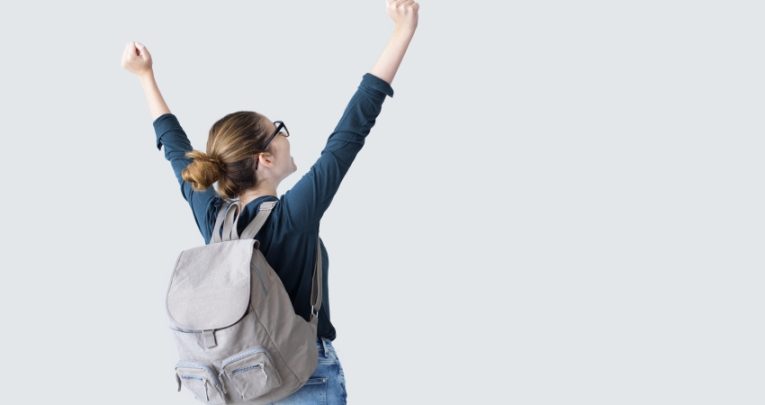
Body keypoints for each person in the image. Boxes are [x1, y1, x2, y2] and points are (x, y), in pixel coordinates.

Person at [122, 0, 419, 403]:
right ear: (265, 158)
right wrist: (402, 33)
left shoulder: (214, 220)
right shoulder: (293, 216)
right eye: (278, 130)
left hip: (239, 383)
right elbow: (351, 130)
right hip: (303, 378)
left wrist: (145, 78)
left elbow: (177, 153)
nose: (286, 136)